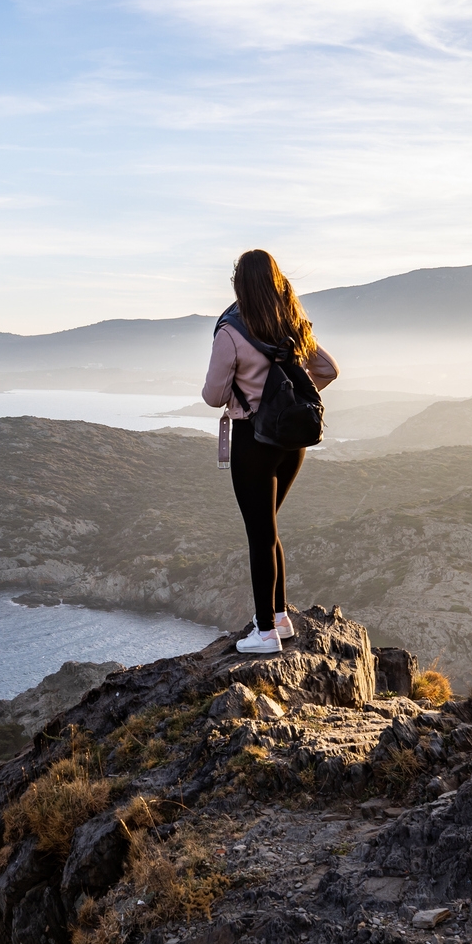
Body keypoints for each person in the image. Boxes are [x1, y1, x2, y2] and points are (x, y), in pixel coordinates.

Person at [202, 249, 340, 655]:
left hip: (253, 442)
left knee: (259, 536)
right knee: (269, 530)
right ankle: (279, 617)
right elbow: (328, 370)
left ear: (238, 286)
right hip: (292, 443)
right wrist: (287, 401)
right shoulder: (292, 324)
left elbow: (213, 396)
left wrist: (252, 396)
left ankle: (265, 633)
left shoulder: (231, 333)